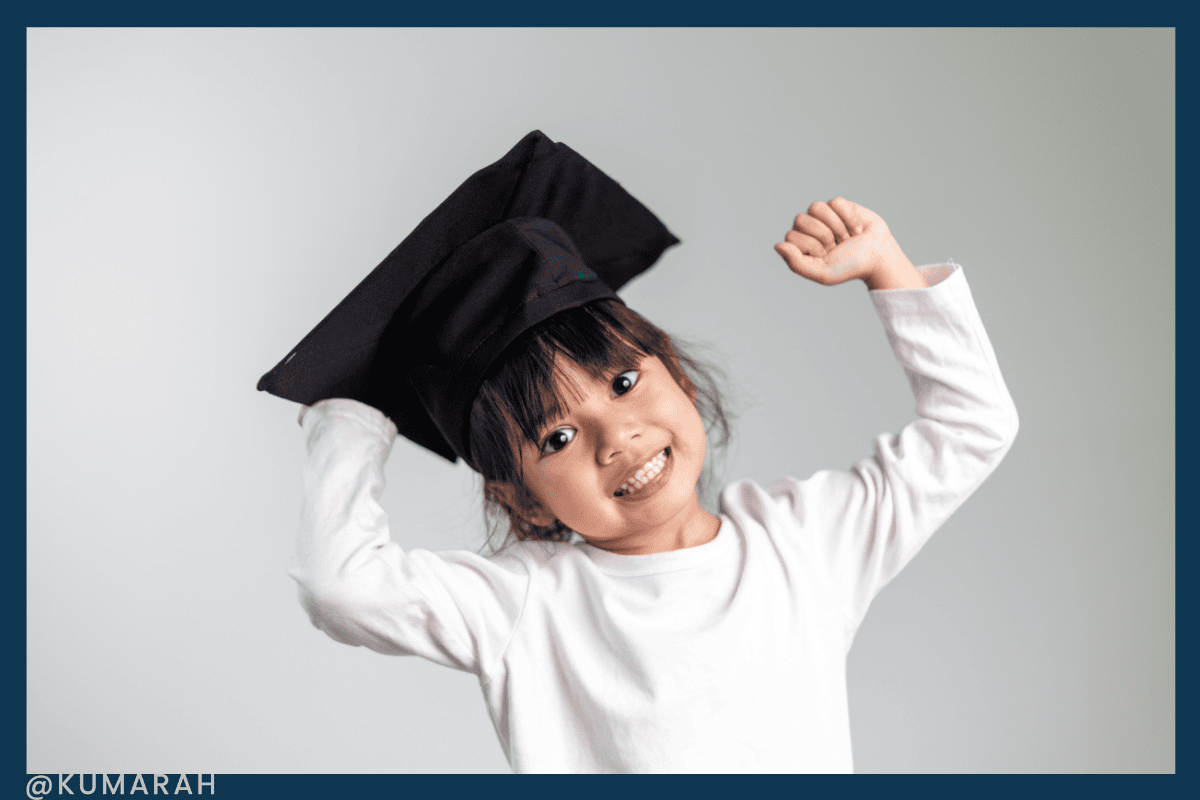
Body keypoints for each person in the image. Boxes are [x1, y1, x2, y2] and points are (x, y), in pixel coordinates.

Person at [259, 131, 1018, 773]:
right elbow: (341, 589)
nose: (614, 437)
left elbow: (973, 427)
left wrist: (888, 268)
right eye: (555, 437)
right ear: (519, 497)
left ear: (679, 375)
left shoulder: (802, 544)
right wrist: (352, 423)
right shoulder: (530, 606)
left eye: (623, 380)